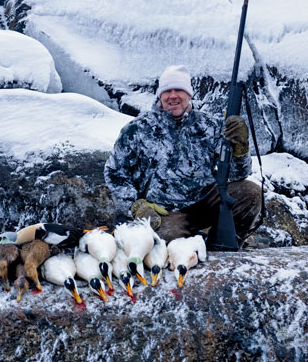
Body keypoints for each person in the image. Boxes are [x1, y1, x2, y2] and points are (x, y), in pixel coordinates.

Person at [104, 65, 261, 249]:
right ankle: (194, 241)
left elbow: (237, 174)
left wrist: (240, 148)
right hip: (164, 212)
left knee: (251, 192)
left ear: (189, 95)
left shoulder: (210, 125)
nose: (173, 96)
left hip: (205, 202)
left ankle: (222, 244)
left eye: (179, 90)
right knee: (162, 244)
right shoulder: (137, 130)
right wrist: (136, 205)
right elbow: (114, 173)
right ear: (160, 96)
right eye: (167, 91)